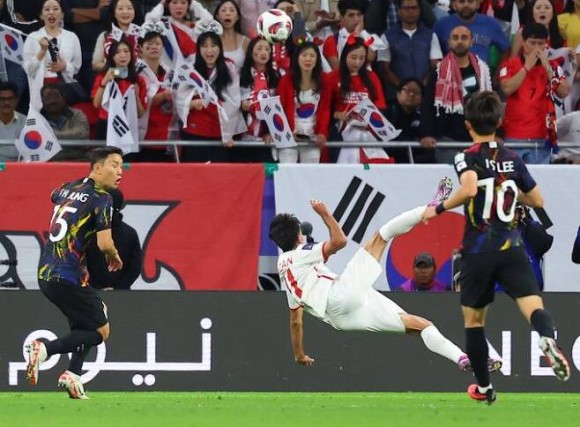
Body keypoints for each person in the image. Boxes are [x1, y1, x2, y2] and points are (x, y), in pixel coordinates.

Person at [422, 91, 571, 405]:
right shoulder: (513, 158)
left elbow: (469, 188)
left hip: (477, 252)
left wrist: (438, 208)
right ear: (500, 121)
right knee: (534, 308)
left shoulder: (466, 157)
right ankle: (546, 339)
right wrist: (510, 188)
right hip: (512, 248)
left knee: (474, 323)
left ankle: (485, 388)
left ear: (468, 124)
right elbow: (537, 199)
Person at [269, 178, 502, 373]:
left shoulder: (285, 272)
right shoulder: (301, 252)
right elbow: (339, 241)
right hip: (342, 294)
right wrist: (325, 214)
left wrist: (299, 355)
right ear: (298, 237)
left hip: (340, 320)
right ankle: (432, 206)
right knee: (382, 235)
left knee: (419, 326)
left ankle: (462, 359)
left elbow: (295, 321)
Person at [26, 146, 124, 399]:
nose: (120, 172)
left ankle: (73, 375)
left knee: (86, 321)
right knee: (101, 332)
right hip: (67, 275)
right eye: (114, 165)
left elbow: (54, 195)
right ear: (98, 168)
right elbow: (104, 243)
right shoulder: (102, 198)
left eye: (121, 166)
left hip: (46, 272)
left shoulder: (67, 188)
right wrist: (113, 255)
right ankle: (44, 350)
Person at [499, 23, 569, 164]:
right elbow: (507, 89)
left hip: (542, 137)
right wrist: (526, 67)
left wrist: (547, 68)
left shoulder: (553, 67)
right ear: (523, 43)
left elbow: (564, 92)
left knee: (541, 178)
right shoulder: (509, 64)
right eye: (532, 43)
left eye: (540, 43)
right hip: (514, 137)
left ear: (546, 44)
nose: (536, 48)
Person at [87, 188, 142, 289]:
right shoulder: (130, 233)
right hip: (121, 295)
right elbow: (135, 268)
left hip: (91, 293)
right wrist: (118, 289)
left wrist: (96, 287)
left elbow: (79, 262)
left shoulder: (87, 232)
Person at [40, 83, 90, 161]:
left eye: (55, 97)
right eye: (47, 98)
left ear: (63, 98)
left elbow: (82, 135)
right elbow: (38, 139)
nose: (52, 101)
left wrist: (51, 136)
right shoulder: (37, 119)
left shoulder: (77, 114)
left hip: (78, 159)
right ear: (42, 101)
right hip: (49, 161)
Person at [0, 81, 25, 162]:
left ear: (17, 100)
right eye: (2, 99)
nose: (6, 102)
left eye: (10, 99)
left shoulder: (27, 122)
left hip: (18, 166)